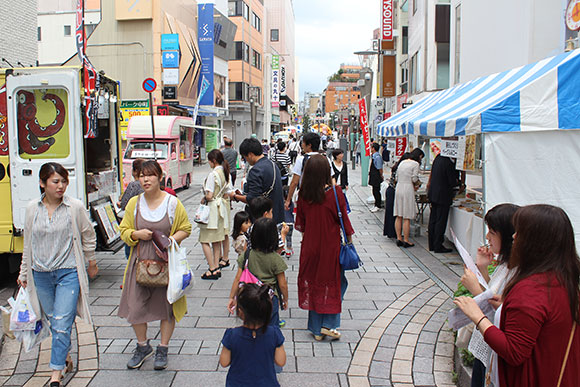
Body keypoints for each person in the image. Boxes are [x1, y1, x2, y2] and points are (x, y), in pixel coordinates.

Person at [454, 204, 580, 387]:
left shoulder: (531, 289)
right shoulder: (561, 278)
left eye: (520, 232)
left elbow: (513, 352)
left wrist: (477, 316)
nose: (514, 237)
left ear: (535, 242)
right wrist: (504, 308)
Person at [17, 162, 98, 387]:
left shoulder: (75, 207)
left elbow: (87, 234)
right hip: (40, 273)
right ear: (43, 184)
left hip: (68, 272)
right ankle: (65, 355)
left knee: (62, 323)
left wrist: (91, 261)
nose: (61, 186)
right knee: (53, 321)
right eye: (55, 181)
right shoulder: (32, 208)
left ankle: (55, 372)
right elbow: (29, 244)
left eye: (64, 181)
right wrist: (24, 272)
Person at [118, 160, 192, 370]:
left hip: (165, 263)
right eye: (141, 175)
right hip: (139, 263)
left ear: (160, 176)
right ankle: (143, 346)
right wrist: (135, 234)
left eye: (150, 175)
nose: (146, 179)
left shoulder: (172, 203)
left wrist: (172, 240)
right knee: (135, 306)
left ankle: (163, 348)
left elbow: (185, 227)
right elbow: (124, 230)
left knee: (167, 308)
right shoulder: (134, 204)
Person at [459, 204, 519, 387]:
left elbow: (501, 312)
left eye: (492, 232)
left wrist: (475, 289)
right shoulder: (505, 264)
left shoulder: (519, 270)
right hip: (485, 346)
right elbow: (493, 293)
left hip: (494, 351)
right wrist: (483, 267)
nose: (487, 237)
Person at [295, 155, 354, 341]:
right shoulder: (335, 193)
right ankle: (330, 324)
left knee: (313, 283)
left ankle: (315, 328)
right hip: (330, 247)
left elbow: (301, 225)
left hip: (310, 246)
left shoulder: (303, 194)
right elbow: (345, 222)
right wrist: (350, 243)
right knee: (336, 282)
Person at [227, 217, 289, 328]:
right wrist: (284, 298)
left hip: (249, 296)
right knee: (271, 326)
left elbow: (237, 278)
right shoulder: (276, 259)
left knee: (251, 324)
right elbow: (282, 283)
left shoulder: (246, 255)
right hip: (268, 298)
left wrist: (232, 297)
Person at [220, 283, 286, 387]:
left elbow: (224, 362)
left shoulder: (232, 335)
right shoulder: (274, 333)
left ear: (241, 312)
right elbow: (281, 361)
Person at [233, 138, 285, 226]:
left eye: (245, 157)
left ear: (250, 154)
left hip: (263, 221)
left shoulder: (256, 170)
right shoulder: (273, 164)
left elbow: (252, 199)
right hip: (277, 215)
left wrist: (235, 196)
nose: (246, 160)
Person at [199, 149, 231, 279]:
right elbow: (226, 191)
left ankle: (212, 269)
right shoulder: (224, 172)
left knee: (204, 239)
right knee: (217, 239)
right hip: (221, 208)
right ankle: (216, 266)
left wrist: (204, 198)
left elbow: (209, 195)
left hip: (212, 209)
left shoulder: (213, 174)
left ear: (213, 161)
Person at [427, 154, 459, 253]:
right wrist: (459, 182)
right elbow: (452, 181)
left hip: (433, 193)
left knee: (433, 219)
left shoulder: (438, 157)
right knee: (440, 221)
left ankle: (431, 244)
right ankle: (438, 245)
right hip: (442, 196)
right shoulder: (448, 162)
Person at [393, 148, 424, 247]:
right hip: (407, 188)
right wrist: (418, 184)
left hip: (399, 187)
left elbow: (397, 177)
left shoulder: (402, 162)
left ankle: (399, 238)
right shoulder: (415, 164)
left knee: (399, 215)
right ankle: (406, 240)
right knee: (407, 216)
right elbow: (414, 178)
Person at [285, 132, 322, 211]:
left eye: (303, 143)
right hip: (322, 197)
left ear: (309, 145)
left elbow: (294, 182)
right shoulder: (326, 159)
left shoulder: (301, 160)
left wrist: (288, 199)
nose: (302, 145)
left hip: (305, 197)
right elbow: (331, 180)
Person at [118, 159, 145, 259]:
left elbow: (124, 204)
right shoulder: (150, 186)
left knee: (131, 257)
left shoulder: (133, 185)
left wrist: (120, 203)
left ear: (135, 171)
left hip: (133, 226)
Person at [383, 153, 411, 238]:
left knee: (390, 212)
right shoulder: (401, 168)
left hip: (390, 190)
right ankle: (394, 233)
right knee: (395, 214)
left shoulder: (396, 166)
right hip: (395, 191)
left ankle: (390, 232)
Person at [369, 143, 384, 213]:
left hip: (376, 176)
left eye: (371, 147)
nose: (370, 149)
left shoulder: (377, 157)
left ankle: (378, 205)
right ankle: (376, 204)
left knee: (376, 190)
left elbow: (379, 168)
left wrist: (381, 175)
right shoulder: (374, 156)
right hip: (373, 175)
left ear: (373, 148)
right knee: (374, 190)